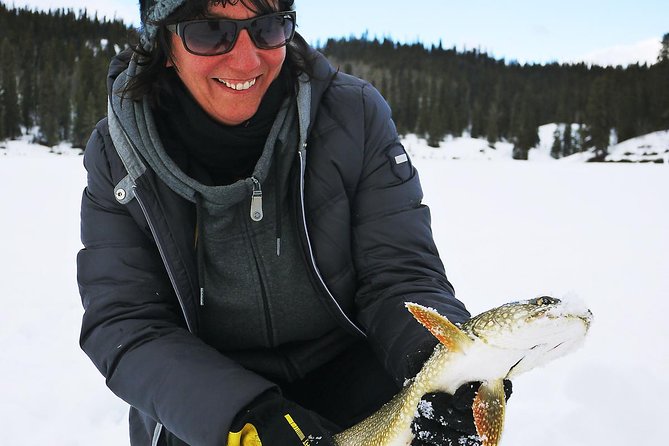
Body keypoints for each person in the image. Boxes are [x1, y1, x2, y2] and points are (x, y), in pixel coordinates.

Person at [77, 1, 509, 445]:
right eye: (209, 31)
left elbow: (399, 273)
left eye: (267, 28)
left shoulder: (353, 115)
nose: (246, 60)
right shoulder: (118, 154)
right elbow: (127, 323)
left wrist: (439, 361)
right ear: (163, 44)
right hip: (210, 397)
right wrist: (245, 419)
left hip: (353, 366)